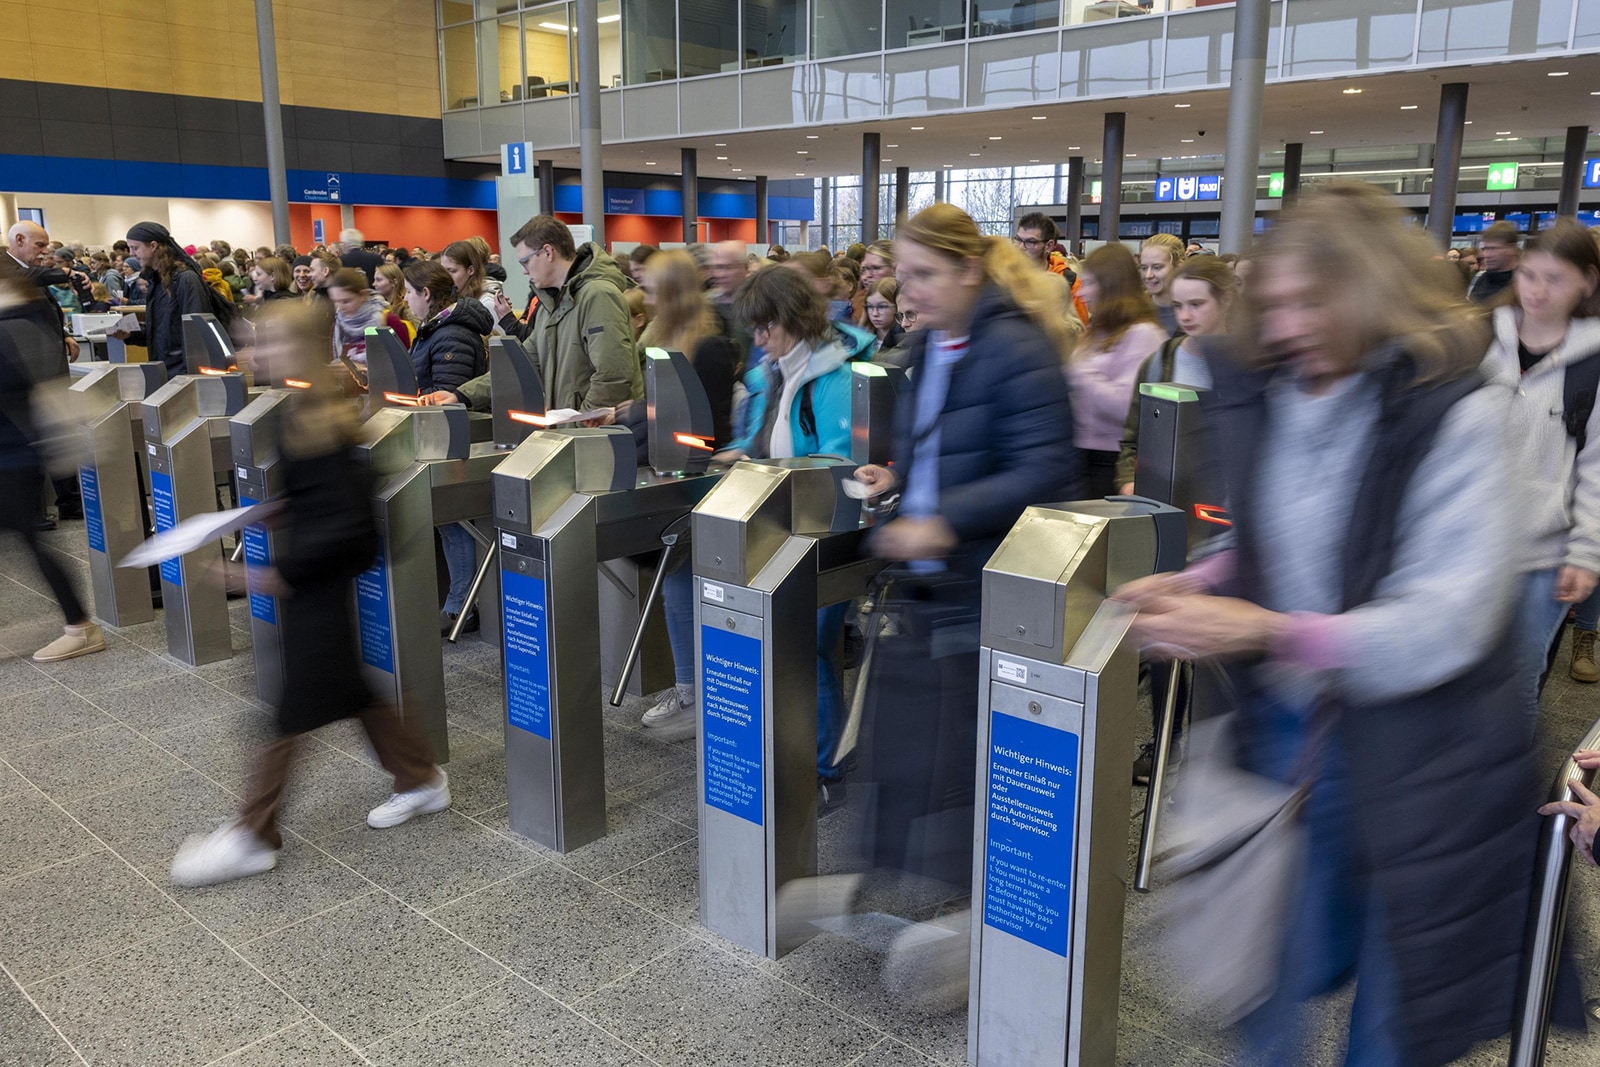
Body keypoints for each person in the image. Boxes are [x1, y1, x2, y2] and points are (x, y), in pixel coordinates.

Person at [1122, 184, 1534, 1067]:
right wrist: (1200, 579)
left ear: (1373, 292)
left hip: (1423, 745)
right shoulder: (1278, 389)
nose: (1289, 326)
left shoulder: (1462, 408)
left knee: (1394, 999)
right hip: (1296, 723)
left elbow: (1449, 621)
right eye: (1276, 305)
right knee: (1267, 963)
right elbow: (1281, 536)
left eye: (1313, 303)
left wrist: (1268, 631)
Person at [840, 203, 1076, 975]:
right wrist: (898, 477)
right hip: (929, 583)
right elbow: (941, 446)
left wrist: (943, 522)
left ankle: (982, 914)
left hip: (985, 585)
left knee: (976, 756)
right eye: (901, 274)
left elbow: (1045, 468)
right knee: (912, 741)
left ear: (970, 269)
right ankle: (912, 884)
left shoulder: (1016, 347)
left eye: (923, 274)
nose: (907, 291)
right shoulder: (930, 344)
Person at [170, 308, 449, 887]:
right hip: (310, 582)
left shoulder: (328, 421)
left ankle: (253, 835)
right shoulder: (298, 409)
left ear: (298, 347)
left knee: (292, 708)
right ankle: (421, 778)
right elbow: (316, 501)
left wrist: (268, 575)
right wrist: (268, 512)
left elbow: (349, 526)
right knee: (349, 690)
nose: (255, 352)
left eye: (268, 342)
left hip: (316, 583)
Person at [713, 266, 875, 790]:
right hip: (779, 526)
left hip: (821, 531)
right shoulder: (775, 371)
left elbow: (837, 462)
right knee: (792, 646)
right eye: (754, 330)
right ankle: (800, 750)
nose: (759, 340)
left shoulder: (835, 377)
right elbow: (766, 440)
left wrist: (771, 470)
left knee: (810, 649)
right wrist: (741, 454)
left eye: (767, 328)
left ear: (795, 318)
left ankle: (827, 767)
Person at [1480, 218, 1600, 741]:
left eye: (1555, 278)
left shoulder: (1593, 363)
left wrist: (1586, 554)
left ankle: (1502, 785)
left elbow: (1597, 468)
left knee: (1516, 686)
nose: (1538, 290)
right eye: (1530, 274)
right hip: (1468, 543)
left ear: (1587, 283)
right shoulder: (1481, 339)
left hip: (1542, 556)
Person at [623, 250, 742, 738]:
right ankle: (691, 689)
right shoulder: (663, 343)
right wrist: (631, 411)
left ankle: (697, 693)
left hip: (699, 482)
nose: (646, 299)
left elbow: (705, 428)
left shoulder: (708, 348)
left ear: (671, 295)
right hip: (670, 475)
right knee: (675, 584)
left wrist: (638, 418)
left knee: (682, 585)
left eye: (652, 291)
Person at [402, 260, 491, 633]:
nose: (405, 299)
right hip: (441, 437)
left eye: (409, 292)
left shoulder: (450, 334)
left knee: (455, 522)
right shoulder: (435, 329)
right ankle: (457, 601)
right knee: (448, 522)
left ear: (426, 293)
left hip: (451, 441)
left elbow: (447, 395)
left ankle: (462, 606)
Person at [1115, 256, 1236, 494]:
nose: (1185, 316)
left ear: (1226, 299)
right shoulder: (1159, 363)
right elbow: (1134, 437)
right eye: (1178, 306)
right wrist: (1129, 480)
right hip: (1165, 497)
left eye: (1196, 304)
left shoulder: (1249, 366)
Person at [505, 215, 640, 411]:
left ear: (548, 252)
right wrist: (465, 395)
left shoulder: (598, 295)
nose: (525, 271)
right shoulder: (549, 306)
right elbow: (520, 364)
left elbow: (612, 377)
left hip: (594, 428)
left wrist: (578, 423)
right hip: (569, 426)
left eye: (525, 261)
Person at [1068, 244, 1166, 498]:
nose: (1081, 293)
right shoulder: (1098, 330)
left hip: (1111, 465)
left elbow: (1127, 408)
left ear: (1110, 285)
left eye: (1089, 283)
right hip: (1083, 457)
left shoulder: (1144, 334)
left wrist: (1079, 375)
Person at [115, 222, 223, 377]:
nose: (131, 253)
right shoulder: (156, 281)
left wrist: (191, 377)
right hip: (164, 371)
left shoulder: (186, 280)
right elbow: (162, 332)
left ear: (153, 246)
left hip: (183, 374)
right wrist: (132, 334)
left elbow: (195, 335)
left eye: (135, 248)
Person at [1013, 212, 1089, 325]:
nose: (1021, 247)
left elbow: (1080, 327)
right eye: (1018, 239)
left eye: (1030, 242)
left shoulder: (1069, 281)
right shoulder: (1006, 276)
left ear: (1049, 246)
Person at [329, 267, 413, 367]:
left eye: (346, 301)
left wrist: (360, 370)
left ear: (362, 295)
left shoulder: (389, 322)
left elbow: (406, 366)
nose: (340, 307)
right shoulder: (337, 327)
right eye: (336, 301)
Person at [1140, 232, 1186, 336]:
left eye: (1157, 267)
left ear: (1178, 266)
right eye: (1144, 268)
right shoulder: (1134, 311)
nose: (1148, 275)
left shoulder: (1193, 312)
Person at [1469, 221, 1521, 304]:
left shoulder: (1523, 284)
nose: (1487, 255)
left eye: (1493, 249)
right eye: (1485, 249)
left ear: (1511, 248)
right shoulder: (1480, 279)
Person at [373, 262, 417, 345]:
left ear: (393, 282)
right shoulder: (385, 306)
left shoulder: (407, 307)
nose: (374, 284)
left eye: (379, 280)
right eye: (374, 280)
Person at [861, 278, 905, 356]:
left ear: (898, 306)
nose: (875, 314)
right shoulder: (861, 339)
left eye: (882, 307)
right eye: (870, 306)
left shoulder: (907, 341)